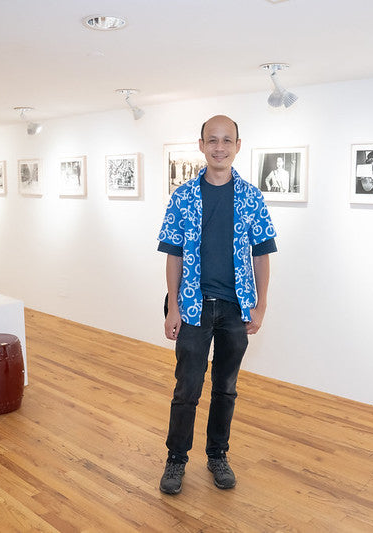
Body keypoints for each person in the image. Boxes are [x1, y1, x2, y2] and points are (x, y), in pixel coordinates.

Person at [156, 115, 277, 494]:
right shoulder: (183, 197)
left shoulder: (252, 197)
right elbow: (173, 256)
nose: (220, 147)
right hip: (192, 306)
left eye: (227, 140)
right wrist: (173, 307)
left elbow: (262, 254)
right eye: (213, 140)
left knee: (226, 388)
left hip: (234, 308)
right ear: (201, 145)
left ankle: (217, 454)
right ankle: (176, 460)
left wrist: (260, 305)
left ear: (238, 146)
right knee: (187, 388)